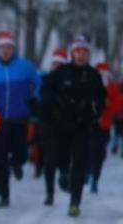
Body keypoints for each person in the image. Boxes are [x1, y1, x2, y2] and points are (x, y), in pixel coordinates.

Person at [40, 37, 106, 217]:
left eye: (84, 52)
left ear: (88, 54)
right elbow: (45, 90)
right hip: (60, 126)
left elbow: (101, 98)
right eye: (78, 51)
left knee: (79, 163)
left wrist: (96, 113)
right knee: (61, 159)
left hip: (83, 126)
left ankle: (75, 202)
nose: (81, 55)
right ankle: (62, 174)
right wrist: (53, 105)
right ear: (72, 53)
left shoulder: (93, 74)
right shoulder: (61, 72)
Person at [0, 30, 41, 208]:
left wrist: (32, 99)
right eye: (2, 48)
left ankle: (18, 163)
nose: (6, 51)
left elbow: (38, 83)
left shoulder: (25, 67)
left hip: (19, 118)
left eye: (9, 47)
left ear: (13, 49)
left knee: (21, 153)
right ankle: (4, 195)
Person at [38, 48, 71, 204]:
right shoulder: (44, 79)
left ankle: (64, 176)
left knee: (64, 157)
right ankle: (49, 193)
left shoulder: (70, 81)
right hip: (48, 125)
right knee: (49, 161)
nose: (56, 66)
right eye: (55, 63)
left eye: (60, 64)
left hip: (65, 125)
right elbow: (39, 98)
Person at [88, 62, 118, 194]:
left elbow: (118, 105)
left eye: (104, 74)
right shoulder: (89, 85)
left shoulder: (112, 88)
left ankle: (95, 177)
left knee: (99, 153)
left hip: (104, 126)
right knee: (90, 149)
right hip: (90, 124)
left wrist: (108, 104)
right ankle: (88, 171)